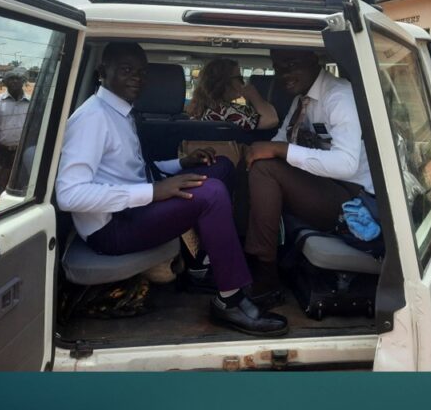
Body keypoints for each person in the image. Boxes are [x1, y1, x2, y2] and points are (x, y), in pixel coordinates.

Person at [55, 42, 287, 336]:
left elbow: (134, 170)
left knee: (222, 168)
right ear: (102, 72)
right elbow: (69, 195)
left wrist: (181, 163)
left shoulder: (120, 111)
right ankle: (229, 300)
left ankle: (200, 264)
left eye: (141, 72)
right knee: (212, 193)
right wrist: (155, 192)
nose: (137, 78)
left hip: (132, 211)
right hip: (110, 229)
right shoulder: (92, 118)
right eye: (127, 70)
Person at [243, 49, 374, 300]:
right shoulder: (300, 101)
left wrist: (280, 150)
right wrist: (264, 149)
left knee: (265, 169)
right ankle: (239, 254)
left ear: (314, 60)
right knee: (252, 161)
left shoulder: (339, 96)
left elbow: (346, 164)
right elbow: (282, 139)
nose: (284, 74)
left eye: (292, 63)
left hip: (353, 198)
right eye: (279, 68)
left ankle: (266, 275)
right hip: (324, 186)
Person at [187, 58, 279, 129]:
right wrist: (254, 96)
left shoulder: (198, 109)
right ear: (225, 82)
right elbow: (271, 120)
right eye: (239, 78)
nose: (243, 82)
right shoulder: (228, 111)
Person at [0, 67, 31, 198]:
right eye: (11, 79)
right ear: (5, 82)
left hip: (25, 153)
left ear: (23, 81)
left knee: (25, 192)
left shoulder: (32, 103)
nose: (15, 81)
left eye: (18, 78)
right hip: (3, 154)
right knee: (2, 192)